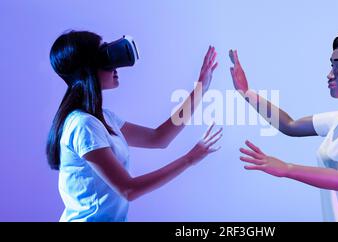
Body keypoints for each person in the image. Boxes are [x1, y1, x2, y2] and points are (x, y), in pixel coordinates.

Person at [46, 30, 222, 221]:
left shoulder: (103, 118)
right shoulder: (83, 125)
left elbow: (159, 138)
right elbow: (129, 189)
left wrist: (200, 88)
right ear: (88, 69)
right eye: (106, 58)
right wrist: (189, 159)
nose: (116, 67)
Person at [230, 28, 338, 222]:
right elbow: (290, 125)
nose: (330, 75)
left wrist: (286, 168)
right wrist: (246, 92)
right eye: (332, 67)